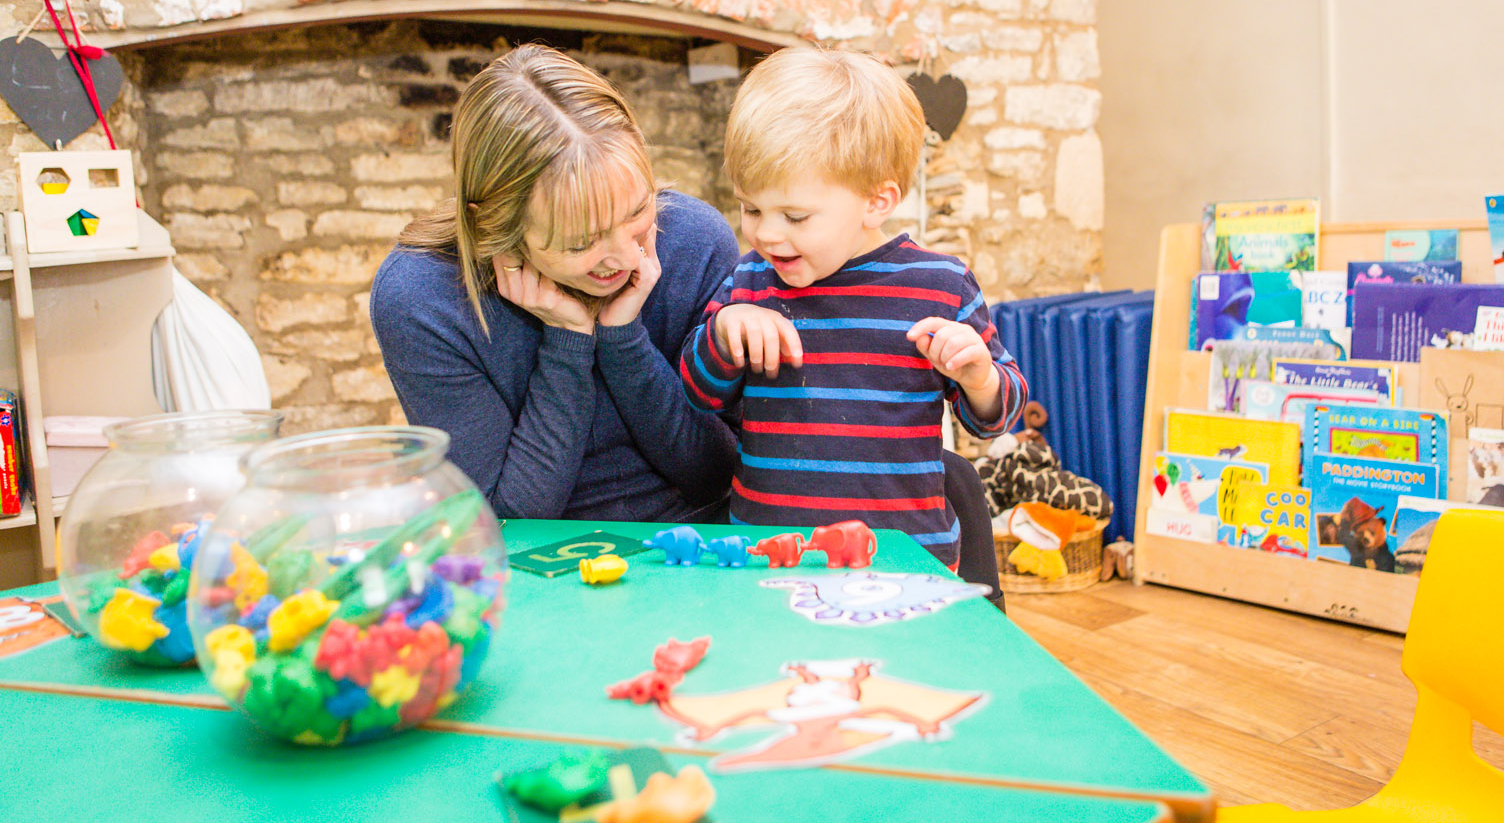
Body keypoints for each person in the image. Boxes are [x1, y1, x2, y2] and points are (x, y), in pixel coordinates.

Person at [678, 47, 1024, 595]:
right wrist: (723, 335)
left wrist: (979, 376)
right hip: (768, 559)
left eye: (794, 216)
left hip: (903, 562)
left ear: (876, 200)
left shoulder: (941, 285)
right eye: (750, 209)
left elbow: (995, 417)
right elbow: (699, 394)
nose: (766, 234)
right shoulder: (749, 281)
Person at [372, 44, 740, 522]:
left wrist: (624, 341)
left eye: (636, 212)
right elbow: (504, 521)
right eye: (581, 241)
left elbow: (722, 476)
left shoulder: (695, 240)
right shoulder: (422, 299)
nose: (629, 258)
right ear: (492, 227)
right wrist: (567, 344)